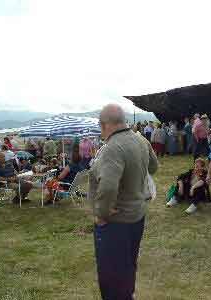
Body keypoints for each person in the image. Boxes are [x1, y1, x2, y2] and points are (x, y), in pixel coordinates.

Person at [89, 104, 158, 300]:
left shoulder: (112, 147)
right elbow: (153, 167)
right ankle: (128, 294)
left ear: (104, 125)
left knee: (111, 273)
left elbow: (108, 186)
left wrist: (101, 215)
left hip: (116, 220)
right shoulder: (141, 139)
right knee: (128, 262)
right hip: (137, 214)